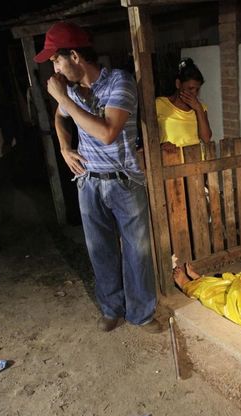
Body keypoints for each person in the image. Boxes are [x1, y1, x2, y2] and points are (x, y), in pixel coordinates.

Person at [34, 21, 161, 333]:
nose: (54, 67)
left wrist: (64, 100)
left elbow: (107, 133)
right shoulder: (73, 91)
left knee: (137, 252)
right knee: (100, 252)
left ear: (75, 56)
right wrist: (64, 148)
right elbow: (59, 119)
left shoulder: (120, 83)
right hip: (89, 182)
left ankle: (141, 313)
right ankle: (111, 308)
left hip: (124, 182)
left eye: (56, 59)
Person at [155, 58, 212, 161]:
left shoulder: (201, 107)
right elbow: (149, 136)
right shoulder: (160, 104)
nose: (194, 93)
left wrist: (198, 109)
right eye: (190, 88)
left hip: (197, 165)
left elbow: (206, 138)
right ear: (178, 84)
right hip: (171, 162)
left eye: (197, 89)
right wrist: (160, 146)